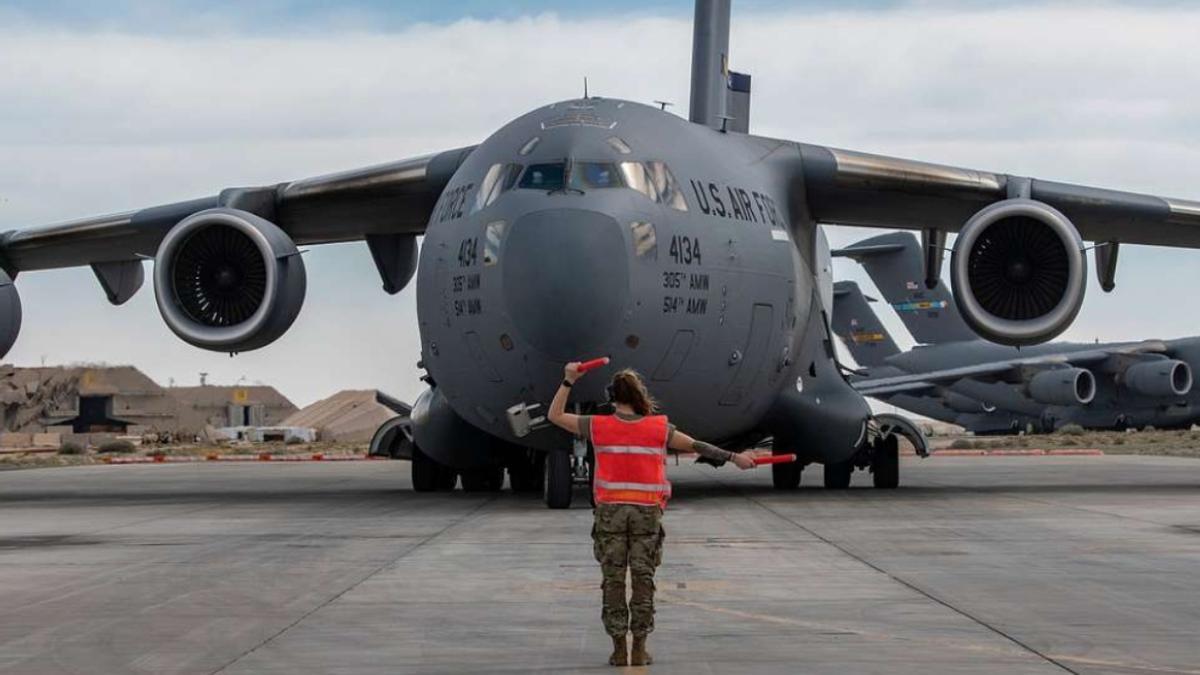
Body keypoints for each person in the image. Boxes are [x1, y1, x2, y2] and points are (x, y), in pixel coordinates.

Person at [547, 362, 757, 667]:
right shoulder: (659, 428)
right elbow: (697, 446)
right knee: (643, 579)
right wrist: (734, 457)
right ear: (640, 395)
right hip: (646, 514)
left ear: (612, 397)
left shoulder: (598, 425)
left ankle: (619, 648)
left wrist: (568, 381)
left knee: (613, 580)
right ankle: (640, 648)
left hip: (611, 514)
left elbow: (554, 416)